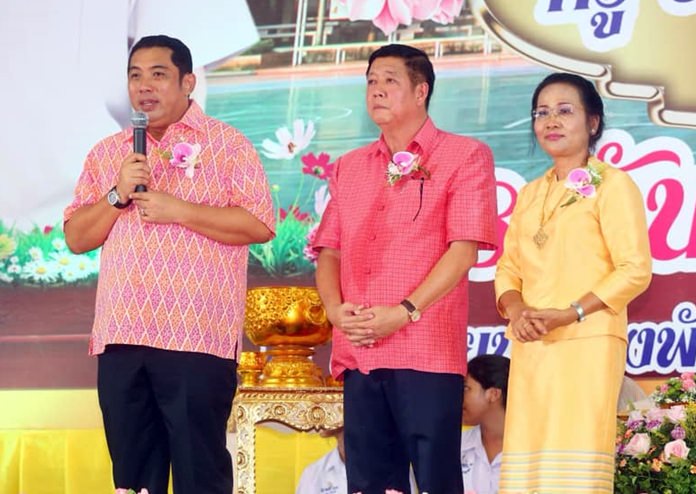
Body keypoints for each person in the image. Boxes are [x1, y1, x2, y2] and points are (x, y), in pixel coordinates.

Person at [63, 35, 274, 494]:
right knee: (134, 479)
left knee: (200, 474)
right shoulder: (107, 153)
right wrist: (117, 195)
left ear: (188, 82)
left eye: (158, 74)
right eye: (135, 75)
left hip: (195, 339)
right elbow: (77, 237)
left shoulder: (228, 145)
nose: (144, 86)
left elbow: (259, 224)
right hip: (122, 336)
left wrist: (182, 210)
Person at [313, 43, 498, 494]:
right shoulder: (350, 167)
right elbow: (329, 252)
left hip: (426, 350)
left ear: (421, 91)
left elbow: (463, 251)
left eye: (390, 80)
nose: (376, 90)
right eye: (371, 81)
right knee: (369, 481)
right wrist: (336, 312)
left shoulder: (464, 155)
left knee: (436, 478)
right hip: (361, 350)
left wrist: (404, 311)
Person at [494, 72, 652, 493]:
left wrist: (571, 312)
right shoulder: (529, 194)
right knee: (529, 468)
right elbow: (508, 268)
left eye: (565, 111)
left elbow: (635, 269)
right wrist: (516, 310)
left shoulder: (613, 185)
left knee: (574, 468)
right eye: (541, 113)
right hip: (531, 344)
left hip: (588, 341)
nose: (551, 121)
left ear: (593, 122)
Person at [460, 354, 510, 494]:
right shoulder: (456, 445)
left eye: (466, 389)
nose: (459, 397)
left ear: (493, 394)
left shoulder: (533, 450)